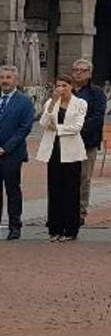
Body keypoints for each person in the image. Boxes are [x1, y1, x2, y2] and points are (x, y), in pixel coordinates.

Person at [37, 76, 86, 241]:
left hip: (72, 152)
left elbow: (77, 127)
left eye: (64, 86)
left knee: (71, 190)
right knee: (55, 189)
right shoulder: (51, 103)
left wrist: (57, 128)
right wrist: (52, 103)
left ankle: (70, 229)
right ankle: (54, 228)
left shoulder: (80, 103)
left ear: (71, 87)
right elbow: (43, 123)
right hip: (54, 151)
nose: (61, 89)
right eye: (58, 86)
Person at [0, 65, 36, 240]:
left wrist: (6, 147)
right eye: (2, 77)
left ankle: (15, 226)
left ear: (16, 80)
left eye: (8, 77)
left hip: (12, 154)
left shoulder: (24, 101)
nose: (5, 81)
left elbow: (24, 128)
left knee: (12, 190)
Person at [70, 59, 106, 227]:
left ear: (89, 73)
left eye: (82, 70)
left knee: (83, 178)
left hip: (86, 142)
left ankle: (79, 212)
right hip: (65, 142)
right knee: (65, 177)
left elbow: (98, 118)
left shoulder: (96, 93)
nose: (78, 73)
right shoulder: (66, 90)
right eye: (75, 70)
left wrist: (76, 129)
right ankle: (63, 210)